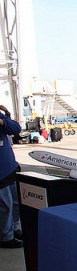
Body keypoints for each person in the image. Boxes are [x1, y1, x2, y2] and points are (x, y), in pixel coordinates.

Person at [0, 104, 22, 248]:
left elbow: (15, 128)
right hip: (1, 171)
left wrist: (5, 116)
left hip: (9, 167)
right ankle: (5, 236)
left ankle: (15, 229)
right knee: (4, 205)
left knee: (14, 202)